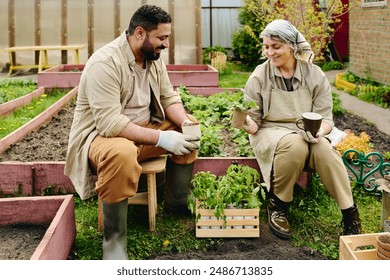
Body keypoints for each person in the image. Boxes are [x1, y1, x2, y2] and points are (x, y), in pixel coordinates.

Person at [64, 4, 200, 259]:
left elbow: (169, 98)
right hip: (104, 138)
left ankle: (176, 203)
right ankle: (114, 241)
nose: (166, 44)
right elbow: (110, 124)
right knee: (122, 153)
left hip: (142, 131)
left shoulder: (152, 58)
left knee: (189, 127)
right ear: (140, 33)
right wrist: (162, 138)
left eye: (167, 38)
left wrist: (184, 125)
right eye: (162, 38)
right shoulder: (105, 63)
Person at [235, 19, 361, 239]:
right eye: (266, 47)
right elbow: (255, 125)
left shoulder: (314, 74)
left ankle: (349, 212)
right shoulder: (259, 75)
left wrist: (319, 133)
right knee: (294, 145)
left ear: (292, 46)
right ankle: (278, 205)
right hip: (270, 131)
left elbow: (326, 119)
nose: (269, 53)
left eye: (276, 47)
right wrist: (244, 121)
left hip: (308, 132)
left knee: (325, 151)